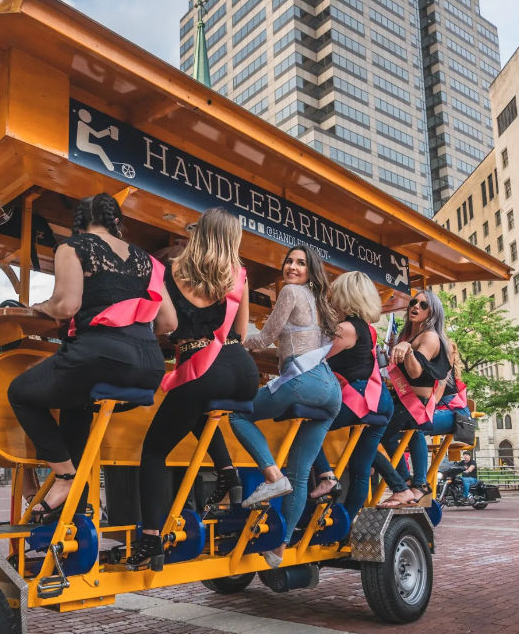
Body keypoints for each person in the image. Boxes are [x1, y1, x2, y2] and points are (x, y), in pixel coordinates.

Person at [8, 193, 177, 523]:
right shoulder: (149, 262)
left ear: (81, 221)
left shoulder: (73, 247)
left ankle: (65, 477)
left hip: (99, 356)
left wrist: (41, 306)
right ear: (117, 220)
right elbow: (169, 323)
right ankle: (74, 513)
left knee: (21, 393)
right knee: (76, 410)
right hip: (149, 366)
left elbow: (66, 306)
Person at [129, 208, 259, 570]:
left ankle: (151, 541)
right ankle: (227, 470)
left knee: (154, 451)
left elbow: (161, 325)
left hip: (201, 366)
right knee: (195, 408)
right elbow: (242, 334)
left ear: (198, 233)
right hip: (242, 370)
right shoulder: (239, 276)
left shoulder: (171, 270)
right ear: (233, 239)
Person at [230, 245, 341, 567]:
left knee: (239, 414)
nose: (292, 267)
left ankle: (271, 475)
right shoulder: (319, 301)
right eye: (289, 261)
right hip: (329, 389)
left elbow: (264, 339)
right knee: (301, 473)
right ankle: (279, 548)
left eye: (300, 263)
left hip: (302, 381)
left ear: (310, 270)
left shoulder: (291, 291)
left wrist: (233, 336)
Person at [308, 271, 393, 520]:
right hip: (380, 401)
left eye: (334, 292)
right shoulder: (366, 328)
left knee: (308, 429)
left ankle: (326, 477)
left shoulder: (344, 329)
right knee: (360, 470)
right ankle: (348, 524)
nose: (330, 296)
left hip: (360, 399)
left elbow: (311, 359)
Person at [375, 289, 451, 508]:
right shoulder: (408, 336)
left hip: (414, 404)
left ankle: (406, 485)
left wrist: (407, 350)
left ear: (432, 312)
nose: (416, 307)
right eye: (413, 303)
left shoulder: (428, 337)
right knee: (394, 436)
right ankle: (413, 483)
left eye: (423, 305)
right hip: (403, 401)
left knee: (376, 436)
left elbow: (416, 372)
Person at [397, 341, 470, 492]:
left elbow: (437, 394)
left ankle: (419, 483)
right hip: (440, 409)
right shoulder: (421, 354)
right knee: (394, 428)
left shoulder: (443, 348)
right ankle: (404, 480)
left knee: (415, 426)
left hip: (454, 413)